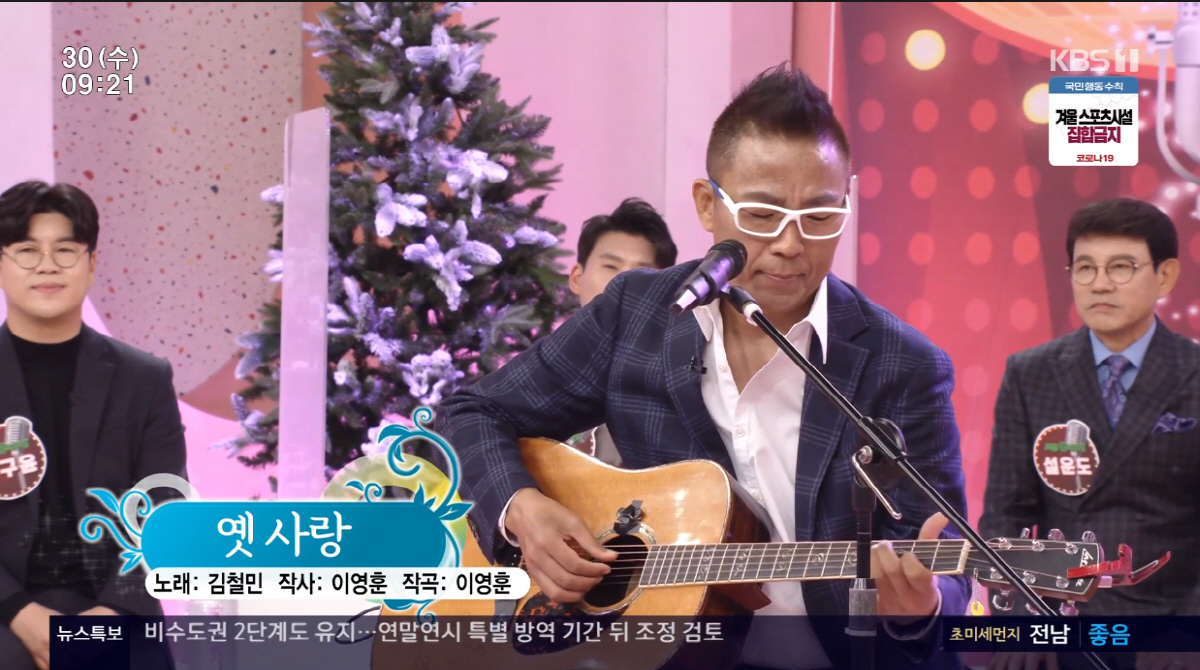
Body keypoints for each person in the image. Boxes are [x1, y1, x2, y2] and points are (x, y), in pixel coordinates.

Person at [434, 65, 970, 670]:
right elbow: (470, 412)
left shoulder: (904, 364)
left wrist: (921, 609)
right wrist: (522, 511)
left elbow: (945, 561)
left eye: (821, 218)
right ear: (707, 205)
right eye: (763, 214)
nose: (791, 244)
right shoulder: (636, 313)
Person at [980, 198, 1200, 670]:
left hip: (1169, 623)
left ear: (1165, 276)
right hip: (1057, 621)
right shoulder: (1030, 373)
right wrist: (1022, 622)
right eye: (1085, 268)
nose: (1100, 283)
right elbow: (1005, 515)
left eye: (1121, 267)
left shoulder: (1194, 372)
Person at [0, 181, 187, 670]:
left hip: (115, 601)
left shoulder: (144, 378)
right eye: (26, 251)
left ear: (92, 264)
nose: (47, 266)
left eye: (65, 250)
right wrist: (21, 614)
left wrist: (114, 612)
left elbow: (165, 512)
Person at [565, 198, 677, 466]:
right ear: (577, 278)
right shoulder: (540, 371)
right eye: (611, 267)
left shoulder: (674, 378)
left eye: (641, 273)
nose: (622, 285)